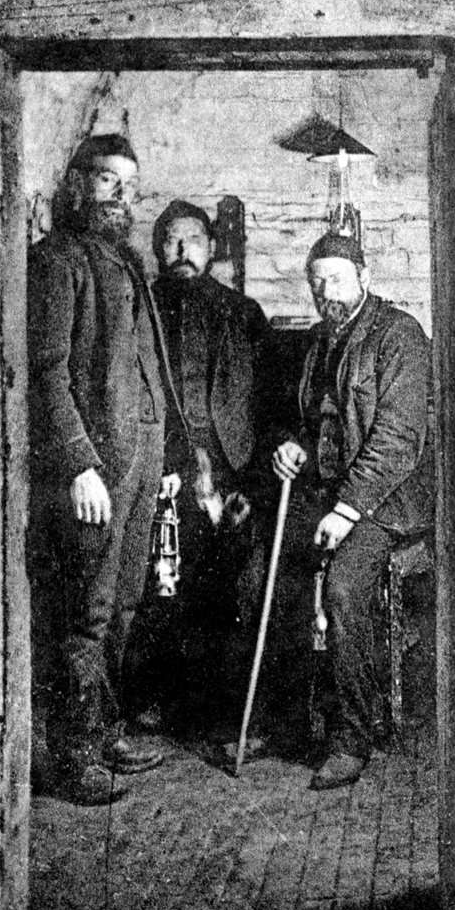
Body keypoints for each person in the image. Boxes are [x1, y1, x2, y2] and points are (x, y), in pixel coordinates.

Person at [28, 134, 184, 805]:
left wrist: (165, 455)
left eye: (131, 185)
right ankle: (72, 754)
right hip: (99, 465)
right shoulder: (57, 259)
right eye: (107, 180)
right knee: (85, 611)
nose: (121, 196)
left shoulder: (125, 260)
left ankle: (103, 730)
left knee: (123, 602)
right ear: (76, 184)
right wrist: (78, 464)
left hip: (141, 460)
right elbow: (47, 371)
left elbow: (147, 369)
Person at [271, 224, 434, 790]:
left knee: (342, 588)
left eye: (337, 280)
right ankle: (284, 721)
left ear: (365, 276)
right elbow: (310, 421)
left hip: (387, 501)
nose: (327, 293)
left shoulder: (400, 335)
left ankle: (352, 737)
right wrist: (293, 446)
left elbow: (398, 439)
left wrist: (347, 511)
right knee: (263, 571)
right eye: (317, 284)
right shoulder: (321, 341)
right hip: (327, 492)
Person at [134, 199, 270, 732]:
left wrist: (247, 481)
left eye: (193, 239)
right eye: (171, 240)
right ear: (158, 248)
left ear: (211, 248)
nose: (182, 250)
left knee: (234, 581)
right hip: (165, 464)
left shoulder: (243, 313)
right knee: (164, 581)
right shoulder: (140, 307)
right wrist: (186, 464)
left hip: (233, 467)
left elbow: (267, 407)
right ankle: (162, 701)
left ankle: (227, 710)